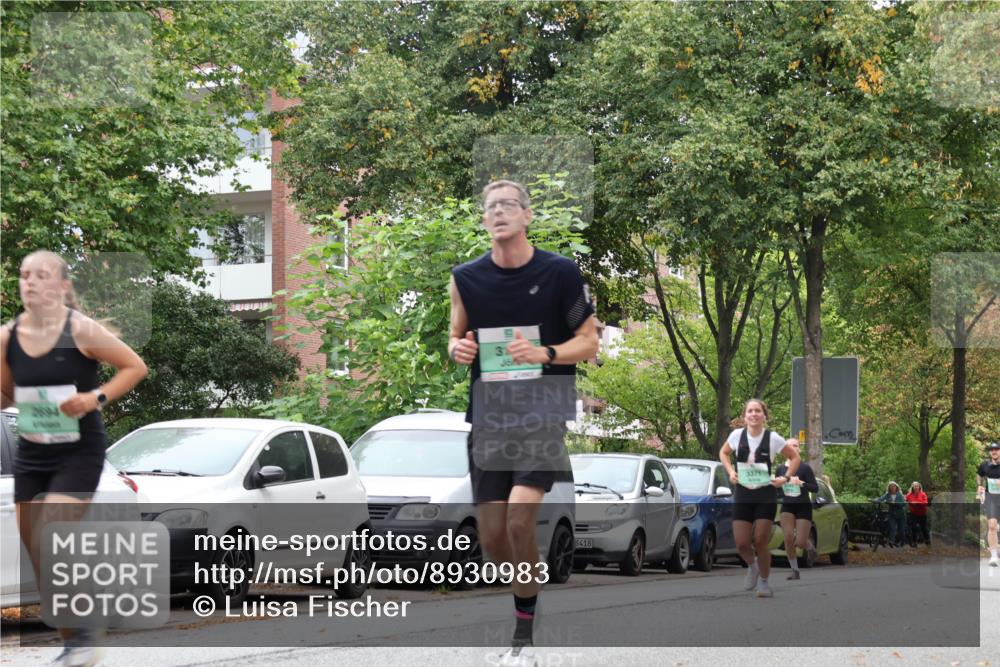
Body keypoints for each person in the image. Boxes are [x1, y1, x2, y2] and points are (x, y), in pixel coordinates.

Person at [449, 180, 598, 666]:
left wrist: (545, 353)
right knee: (493, 539)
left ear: (527, 215)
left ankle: (524, 641)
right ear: (484, 219)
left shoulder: (560, 273)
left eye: (508, 205)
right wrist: (459, 349)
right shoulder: (465, 278)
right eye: (490, 207)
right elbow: (455, 339)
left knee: (518, 521)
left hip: (542, 409)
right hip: (490, 415)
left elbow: (588, 342)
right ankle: (526, 590)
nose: (498, 212)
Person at [0, 251, 147, 667]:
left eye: (40, 275)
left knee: (53, 532)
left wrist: (93, 398)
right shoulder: (8, 337)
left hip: (78, 451)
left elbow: (134, 367)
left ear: (63, 285)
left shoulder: (79, 329)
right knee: (41, 558)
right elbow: (5, 394)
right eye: (24, 274)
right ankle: (76, 645)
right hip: (31, 454)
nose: (29, 282)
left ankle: (83, 634)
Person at [719, 398, 800, 598]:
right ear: (745, 416)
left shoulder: (773, 438)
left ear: (764, 415)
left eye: (757, 411)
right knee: (741, 543)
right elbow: (724, 452)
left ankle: (764, 583)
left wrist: (786, 477)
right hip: (743, 493)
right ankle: (752, 566)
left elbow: (795, 458)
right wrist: (730, 471)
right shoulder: (737, 435)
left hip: (765, 493)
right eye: (750, 411)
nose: (753, 414)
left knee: (760, 541)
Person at [775, 439, 818, 580]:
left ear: (799, 450)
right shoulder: (781, 469)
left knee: (800, 542)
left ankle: (810, 547)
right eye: (789, 446)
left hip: (803, 506)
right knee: (787, 538)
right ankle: (795, 570)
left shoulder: (805, 468)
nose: (792, 448)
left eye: (796, 446)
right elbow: (777, 490)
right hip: (787, 506)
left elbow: (815, 488)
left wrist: (801, 483)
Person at [976, 442, 1000, 567]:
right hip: (991, 498)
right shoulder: (985, 465)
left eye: (996, 449)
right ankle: (994, 557)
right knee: (991, 526)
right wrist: (979, 485)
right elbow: (979, 475)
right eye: (991, 450)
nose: (994, 451)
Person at [875, 481, 907, 547]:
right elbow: (880, 499)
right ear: (889, 488)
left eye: (894, 486)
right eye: (891, 487)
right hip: (892, 514)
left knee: (901, 530)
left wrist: (895, 503)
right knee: (893, 528)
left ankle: (902, 541)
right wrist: (873, 500)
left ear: (896, 487)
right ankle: (892, 541)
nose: (892, 488)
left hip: (901, 514)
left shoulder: (900, 495)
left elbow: (903, 504)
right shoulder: (887, 495)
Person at [905, 481, 930, 546]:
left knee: (923, 528)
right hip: (913, 513)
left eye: (917, 486)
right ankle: (914, 542)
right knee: (913, 527)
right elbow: (905, 500)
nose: (916, 487)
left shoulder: (923, 494)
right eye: (914, 486)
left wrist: (916, 503)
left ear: (919, 487)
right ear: (912, 487)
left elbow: (925, 503)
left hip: (922, 514)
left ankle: (927, 540)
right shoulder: (909, 495)